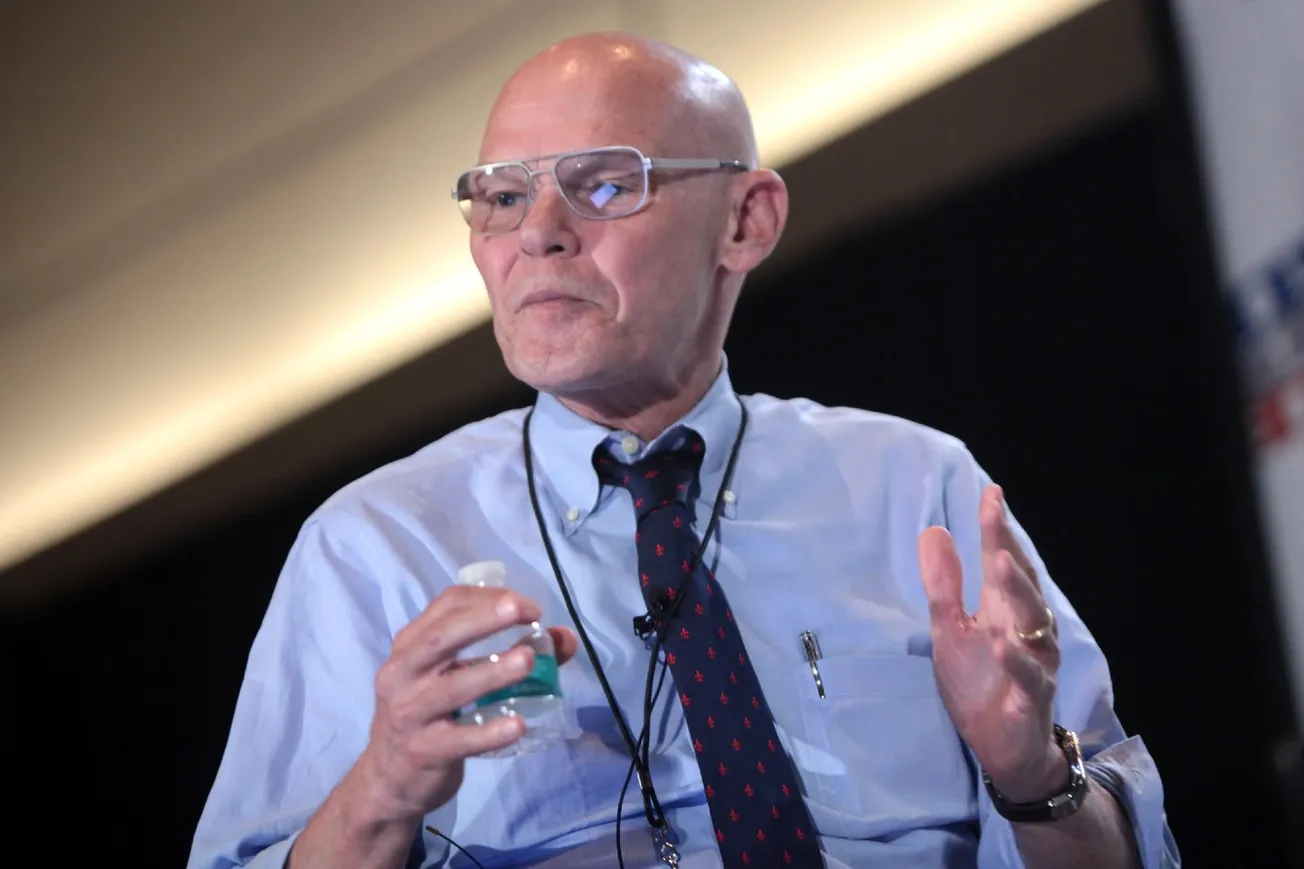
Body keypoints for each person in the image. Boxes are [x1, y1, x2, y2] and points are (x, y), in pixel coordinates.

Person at [189, 32, 1179, 869]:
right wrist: (380, 789)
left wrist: (1030, 774)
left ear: (746, 220)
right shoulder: (377, 546)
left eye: (603, 184)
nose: (538, 234)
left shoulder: (915, 489)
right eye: (501, 197)